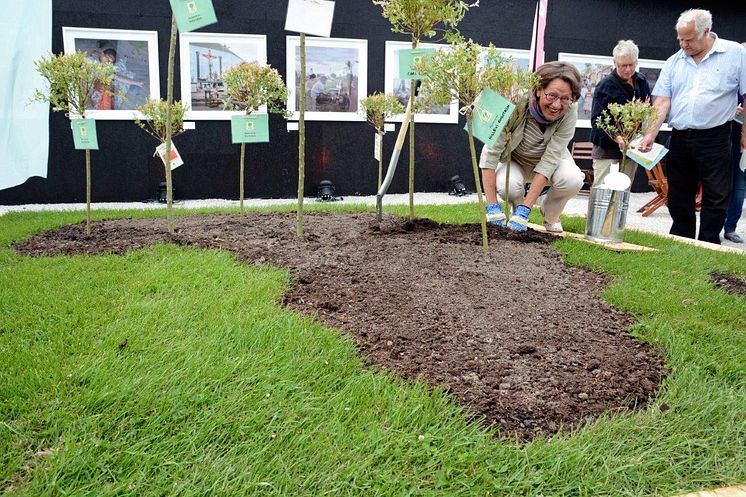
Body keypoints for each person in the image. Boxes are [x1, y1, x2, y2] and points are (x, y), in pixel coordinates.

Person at [639, 9, 746, 244]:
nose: (683, 44)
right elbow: (662, 101)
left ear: (706, 32)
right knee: (679, 193)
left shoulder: (735, 53)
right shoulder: (674, 62)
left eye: (689, 39)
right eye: (680, 39)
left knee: (717, 194)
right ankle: (681, 240)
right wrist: (650, 134)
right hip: (680, 137)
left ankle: (708, 243)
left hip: (716, 136)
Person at [479, 61, 585, 233]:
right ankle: (517, 208)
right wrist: (492, 207)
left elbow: (550, 160)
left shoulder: (570, 112)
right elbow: (490, 155)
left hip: (551, 164)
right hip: (516, 160)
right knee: (509, 186)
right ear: (537, 90)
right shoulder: (515, 105)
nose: (557, 105)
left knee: (573, 179)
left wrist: (526, 210)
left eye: (565, 98)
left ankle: (550, 214)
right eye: (551, 96)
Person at [590, 40, 652, 188]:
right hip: (607, 150)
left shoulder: (642, 81)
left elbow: (648, 110)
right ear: (615, 62)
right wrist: (617, 137)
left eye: (632, 65)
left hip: (631, 149)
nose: (628, 69)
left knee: (623, 191)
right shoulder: (605, 86)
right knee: (603, 191)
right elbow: (597, 120)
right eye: (623, 65)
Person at [724, 95, 744, 243]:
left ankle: (730, 228)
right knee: (720, 186)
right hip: (727, 140)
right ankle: (713, 226)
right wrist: (731, 111)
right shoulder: (734, 85)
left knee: (739, 188)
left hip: (744, 147)